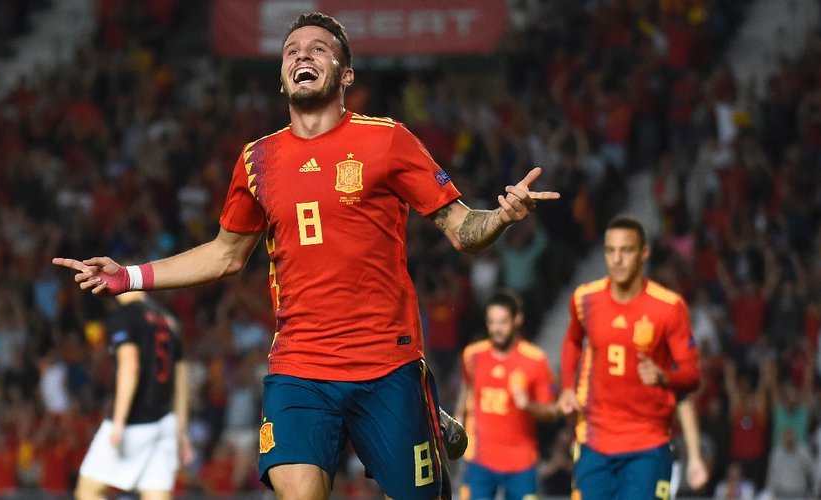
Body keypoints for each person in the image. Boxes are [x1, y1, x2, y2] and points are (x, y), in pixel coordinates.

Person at [53, 12, 559, 500]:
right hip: (300, 365)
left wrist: (501, 217)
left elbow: (461, 229)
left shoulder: (386, 140)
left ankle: (422, 412)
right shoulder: (257, 160)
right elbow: (226, 254)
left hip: (386, 363)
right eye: (292, 51)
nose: (303, 56)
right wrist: (129, 277)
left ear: (346, 74)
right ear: (281, 77)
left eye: (319, 49)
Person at [557, 215, 700, 500]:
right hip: (594, 440)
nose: (617, 259)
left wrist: (664, 377)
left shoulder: (669, 307)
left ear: (644, 253)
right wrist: (567, 388)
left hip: (647, 443)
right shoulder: (585, 299)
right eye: (610, 250)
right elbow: (572, 340)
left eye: (626, 250)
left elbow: (692, 376)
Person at [75, 291, 193, 500]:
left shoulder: (124, 316)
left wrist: (119, 420)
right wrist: (181, 431)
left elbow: (130, 366)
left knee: (87, 492)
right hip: (165, 421)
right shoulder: (167, 319)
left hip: (135, 421)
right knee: (155, 495)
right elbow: (181, 377)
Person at [455, 290, 560, 500]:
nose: (496, 328)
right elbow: (467, 388)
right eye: (491, 322)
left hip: (521, 463)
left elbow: (552, 412)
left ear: (517, 319)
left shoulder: (535, 359)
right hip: (479, 460)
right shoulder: (472, 355)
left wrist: (528, 405)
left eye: (502, 322)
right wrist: (458, 419)